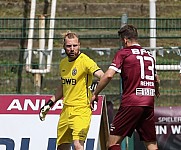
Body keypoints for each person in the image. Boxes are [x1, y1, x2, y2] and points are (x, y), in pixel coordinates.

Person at [91, 24, 160, 150]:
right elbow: (156, 79)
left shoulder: (124, 53)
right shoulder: (149, 56)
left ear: (125, 40)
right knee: (151, 144)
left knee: (112, 143)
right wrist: (156, 90)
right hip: (148, 101)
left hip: (132, 102)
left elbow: (108, 76)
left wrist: (95, 93)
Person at [39, 31, 104, 150]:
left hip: (81, 109)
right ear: (64, 47)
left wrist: (96, 90)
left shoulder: (85, 60)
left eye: (75, 45)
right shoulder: (63, 63)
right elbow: (63, 86)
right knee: (62, 146)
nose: (72, 49)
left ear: (79, 45)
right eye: (69, 46)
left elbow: (103, 76)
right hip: (66, 110)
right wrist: (50, 103)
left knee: (78, 145)